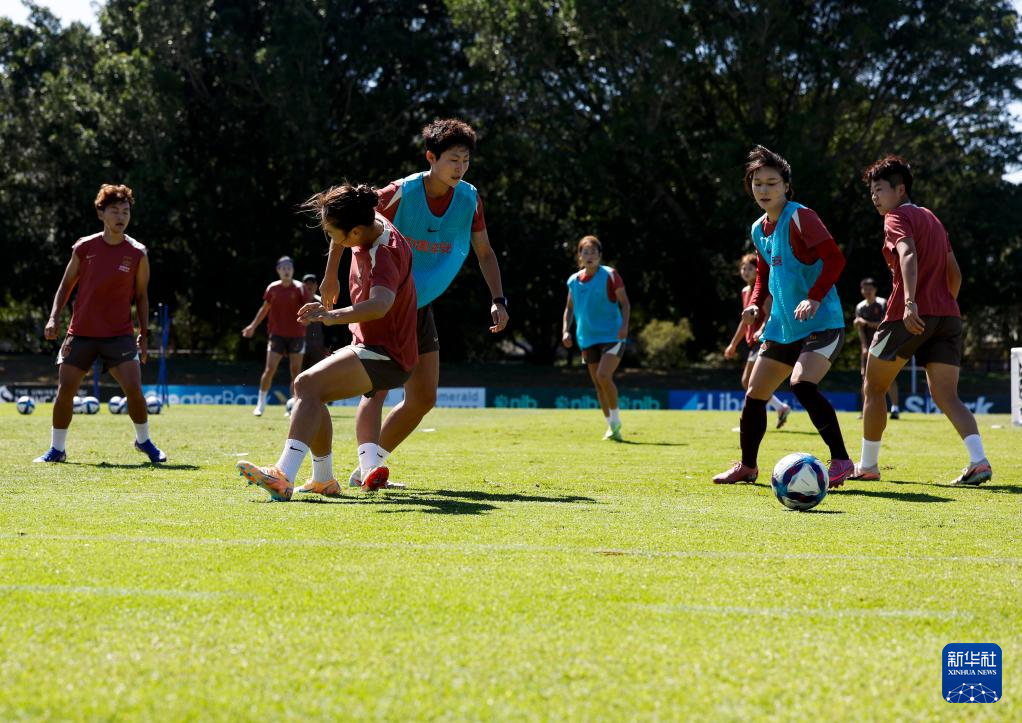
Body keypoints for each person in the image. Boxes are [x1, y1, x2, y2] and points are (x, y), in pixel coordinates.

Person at [319, 118, 509, 487]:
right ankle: (368, 464)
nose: (460, 168)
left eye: (465, 161)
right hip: (382, 301)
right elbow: (346, 218)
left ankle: (367, 470)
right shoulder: (399, 192)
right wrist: (330, 275)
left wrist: (498, 299)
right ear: (431, 158)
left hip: (420, 303)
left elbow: (484, 253)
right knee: (377, 388)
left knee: (423, 397)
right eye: (453, 159)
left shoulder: (470, 199)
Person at [237, 184, 418, 499]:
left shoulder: (383, 254)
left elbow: (380, 305)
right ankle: (322, 480)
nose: (332, 239)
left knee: (307, 384)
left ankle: (283, 474)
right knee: (311, 391)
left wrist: (329, 315)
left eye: (334, 234)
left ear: (356, 232)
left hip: (387, 354)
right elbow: (343, 233)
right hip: (372, 344)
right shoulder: (367, 212)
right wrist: (331, 274)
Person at [713, 146, 853, 487]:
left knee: (802, 384)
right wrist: (756, 304)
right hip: (782, 324)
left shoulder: (802, 216)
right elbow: (763, 271)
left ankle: (841, 461)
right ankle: (747, 467)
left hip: (822, 321)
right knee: (754, 394)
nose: (764, 190)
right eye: (757, 184)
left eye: (772, 183)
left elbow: (835, 259)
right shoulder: (758, 229)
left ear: (787, 187)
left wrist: (815, 298)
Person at [852, 156, 992, 485]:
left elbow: (908, 253)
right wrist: (944, 306)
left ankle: (868, 466)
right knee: (947, 396)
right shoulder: (931, 217)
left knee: (873, 387)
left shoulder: (896, 217)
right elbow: (954, 272)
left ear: (900, 190)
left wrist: (913, 303)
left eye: (879, 189)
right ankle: (979, 461)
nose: (875, 197)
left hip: (908, 314)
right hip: (947, 317)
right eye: (871, 191)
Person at [34, 183, 167, 464]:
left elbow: (142, 296)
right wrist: (53, 317)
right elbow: (65, 285)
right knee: (65, 389)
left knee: (134, 389)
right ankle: (57, 449)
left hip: (118, 335)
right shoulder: (84, 248)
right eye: (115, 211)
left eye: (126, 211)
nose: (121, 216)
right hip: (81, 332)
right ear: (101, 214)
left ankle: (144, 442)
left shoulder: (138, 253)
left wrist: (143, 334)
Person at [561, 235, 631, 440]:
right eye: (585, 252)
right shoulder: (573, 281)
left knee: (603, 376)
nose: (589, 255)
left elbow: (625, 303)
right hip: (587, 338)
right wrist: (566, 330)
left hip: (613, 335)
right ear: (579, 256)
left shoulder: (610, 275)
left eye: (593, 252)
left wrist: (625, 325)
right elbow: (569, 309)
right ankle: (611, 426)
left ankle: (616, 419)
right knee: (598, 384)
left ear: (600, 255)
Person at [723, 253, 792, 429]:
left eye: (750, 268)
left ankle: (748, 423)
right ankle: (780, 408)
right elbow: (744, 321)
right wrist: (733, 344)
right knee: (750, 382)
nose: (746, 271)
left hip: (764, 339)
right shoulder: (745, 291)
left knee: (749, 382)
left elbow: (769, 313)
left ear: (758, 270)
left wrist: (761, 330)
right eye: (743, 268)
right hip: (752, 342)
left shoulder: (762, 289)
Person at [241, 256, 309, 416]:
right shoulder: (272, 288)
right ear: (278, 270)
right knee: (269, 369)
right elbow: (264, 309)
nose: (286, 270)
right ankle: (261, 404)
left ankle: (293, 406)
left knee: (295, 371)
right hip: (276, 335)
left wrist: (307, 319)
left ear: (293, 270)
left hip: (297, 336)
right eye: (283, 268)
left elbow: (307, 311)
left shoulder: (300, 288)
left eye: (289, 268)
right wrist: (252, 326)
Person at [853, 277, 899, 419]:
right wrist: (864, 347)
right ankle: (865, 410)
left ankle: (895, 409)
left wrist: (865, 322)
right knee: (865, 379)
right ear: (861, 290)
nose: (867, 291)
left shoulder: (882, 303)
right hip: (869, 348)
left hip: (885, 345)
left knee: (889, 377)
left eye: (870, 288)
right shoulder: (860, 307)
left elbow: (884, 324)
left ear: (875, 290)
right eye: (864, 288)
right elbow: (860, 328)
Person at [301, 273, 330, 369]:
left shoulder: (322, 302)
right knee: (296, 374)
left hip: (318, 346)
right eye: (307, 283)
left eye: (312, 283)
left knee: (317, 375)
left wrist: (327, 345)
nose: (309, 286)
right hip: (299, 344)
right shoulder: (296, 301)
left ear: (316, 286)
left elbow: (329, 324)